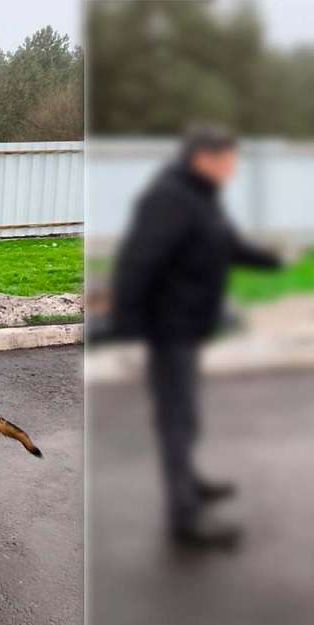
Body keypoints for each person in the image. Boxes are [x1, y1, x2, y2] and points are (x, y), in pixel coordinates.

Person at [112, 125, 281, 550]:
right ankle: (184, 520)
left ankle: (190, 482)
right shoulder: (171, 199)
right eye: (228, 160)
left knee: (185, 414)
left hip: (189, 323)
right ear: (203, 158)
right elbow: (139, 261)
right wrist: (128, 325)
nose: (233, 168)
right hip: (170, 325)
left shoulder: (199, 197)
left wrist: (270, 260)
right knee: (177, 417)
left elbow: (223, 244)